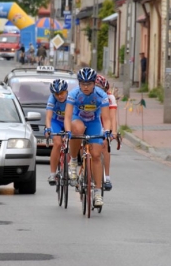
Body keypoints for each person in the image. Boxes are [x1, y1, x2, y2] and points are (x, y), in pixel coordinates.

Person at [64, 67, 112, 207]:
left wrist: (107, 131)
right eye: (83, 84)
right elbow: (67, 117)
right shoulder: (73, 94)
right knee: (77, 129)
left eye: (89, 84)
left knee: (96, 155)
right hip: (77, 119)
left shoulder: (101, 95)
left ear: (93, 83)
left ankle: (97, 192)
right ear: (79, 83)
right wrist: (68, 131)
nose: (85, 87)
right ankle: (73, 161)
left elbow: (106, 118)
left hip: (94, 122)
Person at [44, 79, 69, 185]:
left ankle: (70, 168)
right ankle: (53, 174)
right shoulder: (52, 99)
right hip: (56, 122)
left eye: (62, 93)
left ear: (67, 91)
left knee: (72, 141)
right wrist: (48, 128)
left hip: (69, 121)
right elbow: (48, 117)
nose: (60, 96)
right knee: (57, 143)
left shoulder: (72, 98)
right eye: (57, 94)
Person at [95, 75, 118, 191]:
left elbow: (112, 117)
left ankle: (107, 177)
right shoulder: (87, 95)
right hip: (92, 121)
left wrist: (113, 132)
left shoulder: (110, 97)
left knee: (105, 145)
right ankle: (84, 171)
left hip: (104, 122)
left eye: (102, 90)